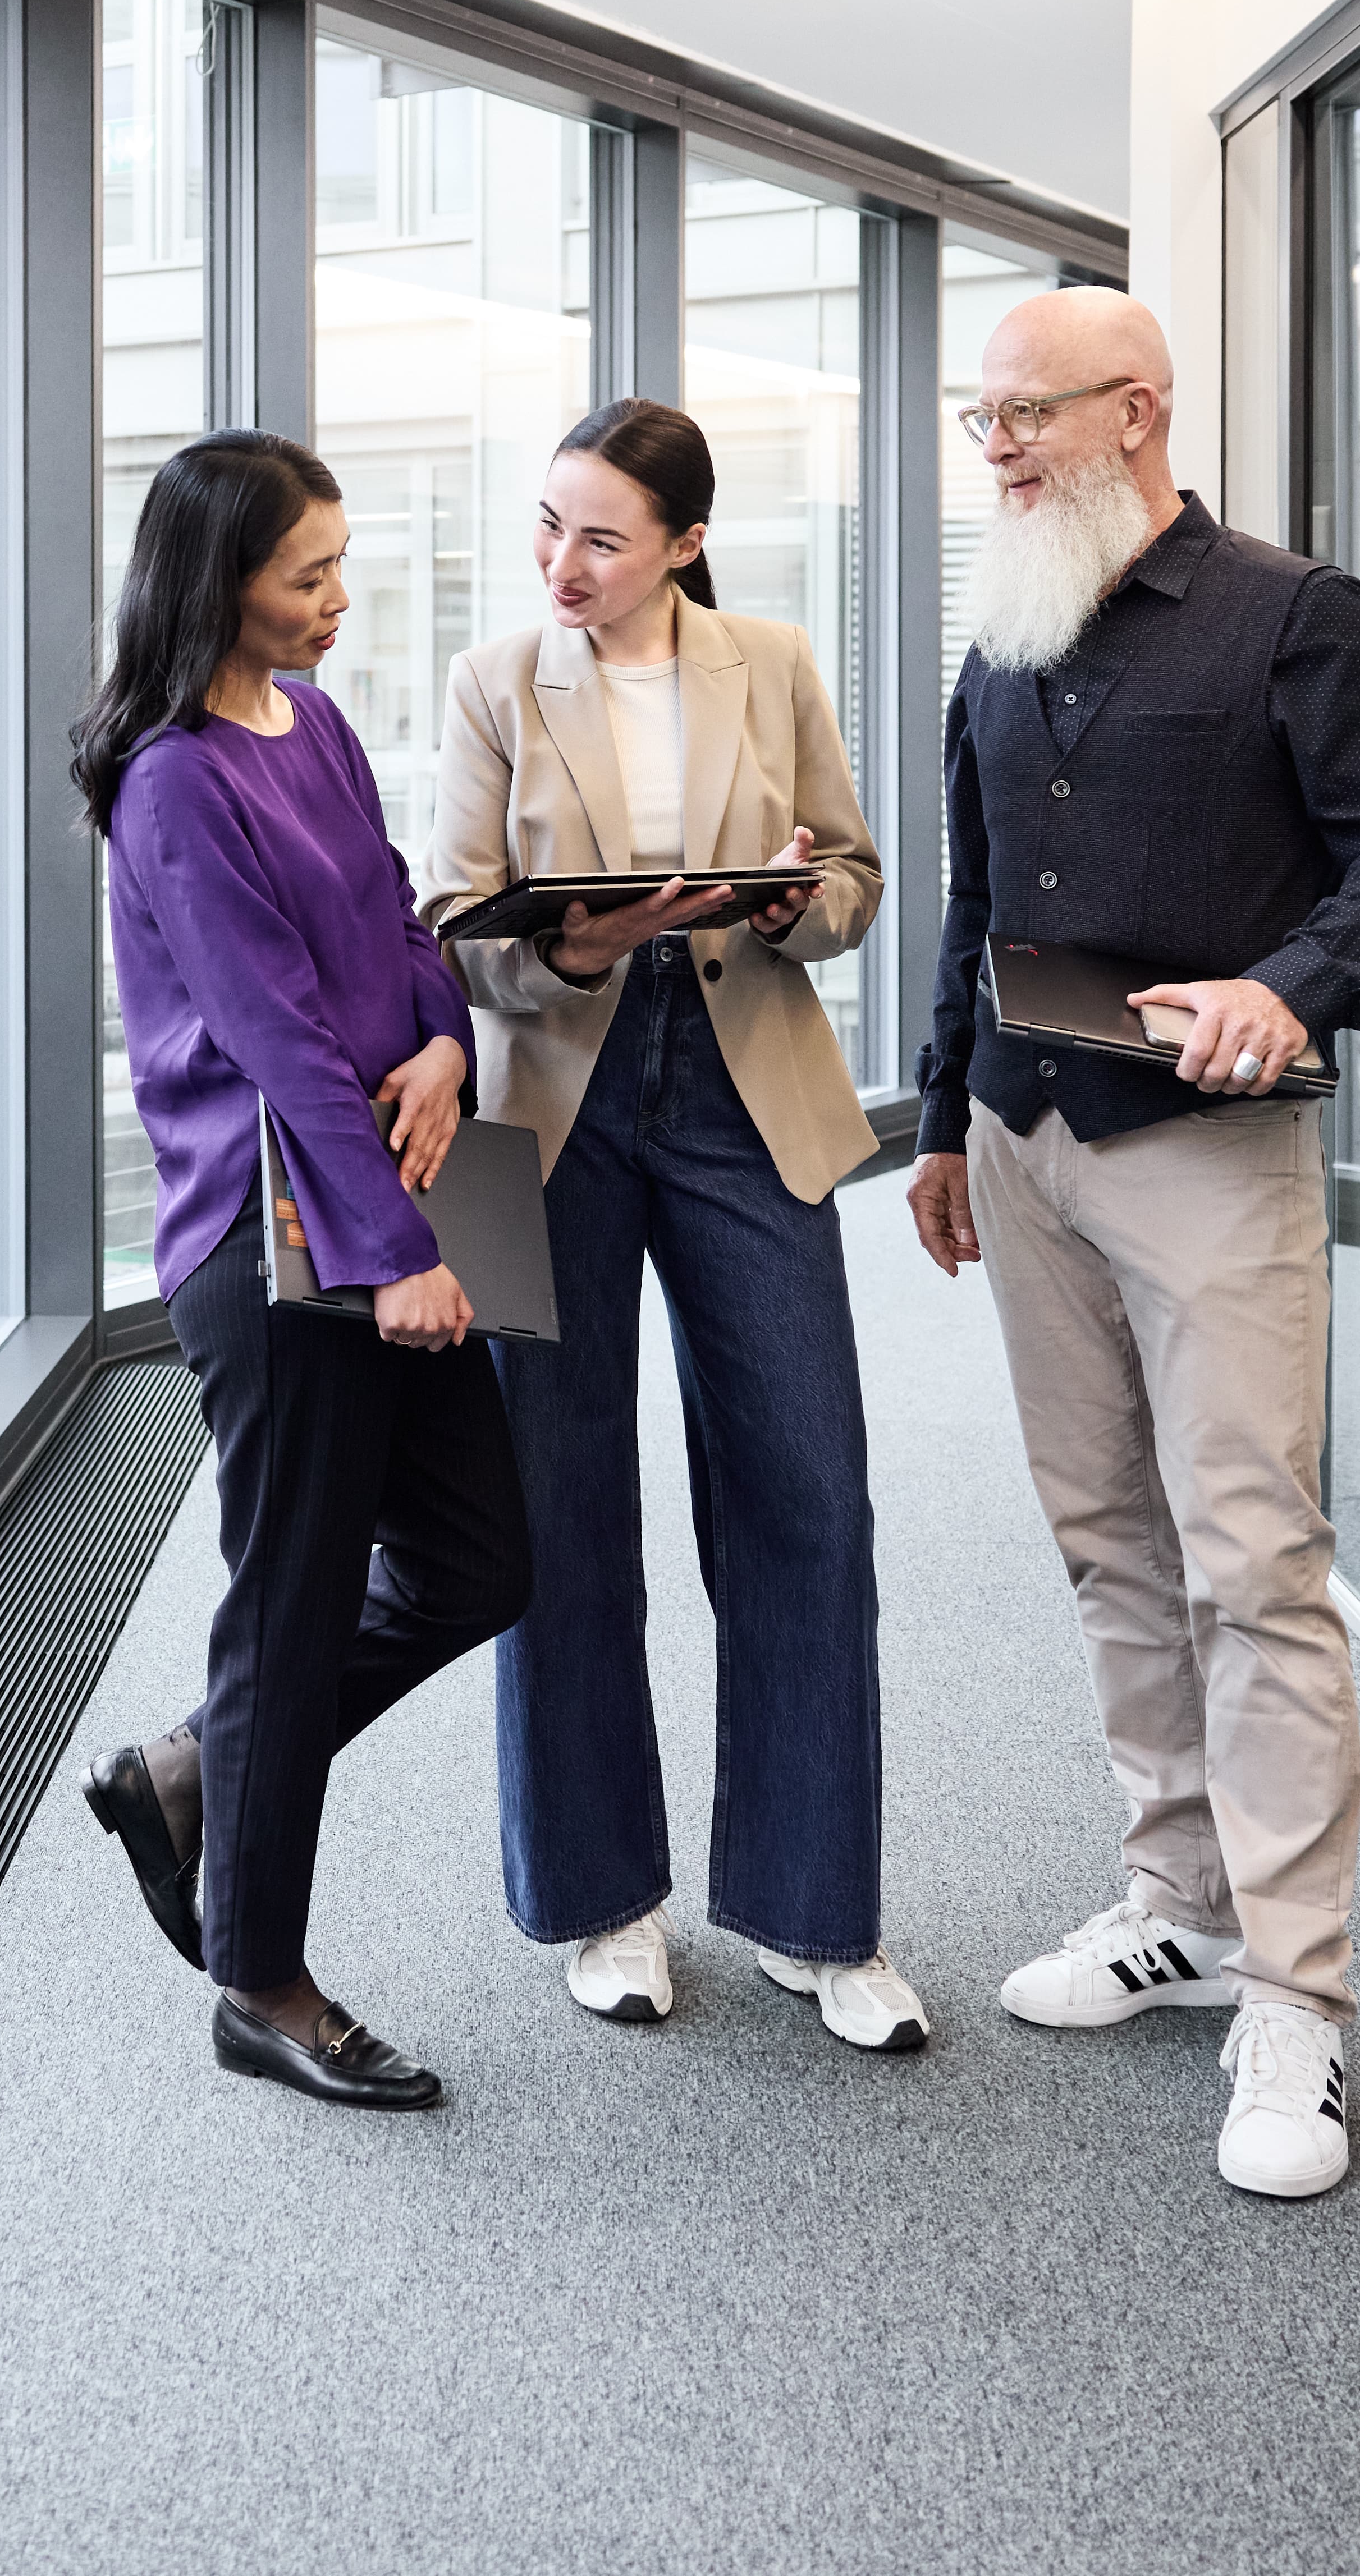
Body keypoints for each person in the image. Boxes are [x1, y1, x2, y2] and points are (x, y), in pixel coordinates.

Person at [906, 288, 1360, 2199]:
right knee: (1105, 1542)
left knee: (1254, 1560)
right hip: (1025, 1122)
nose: (993, 447)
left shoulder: (1293, 616)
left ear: (1136, 410)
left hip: (1205, 1150)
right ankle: (1178, 1894)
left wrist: (1291, 984)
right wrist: (937, 1117)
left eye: (1024, 416)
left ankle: (1298, 1996)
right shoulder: (1005, 628)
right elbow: (976, 883)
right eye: (977, 418)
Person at [419, 398, 918, 2050]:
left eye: (604, 537)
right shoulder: (497, 682)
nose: (566, 563)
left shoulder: (768, 664)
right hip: (546, 1109)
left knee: (809, 1492)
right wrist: (573, 946)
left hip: (739, 1088)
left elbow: (850, 876)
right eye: (548, 526)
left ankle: (811, 1909)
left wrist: (792, 901)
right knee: (557, 1504)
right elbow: (452, 919)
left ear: (687, 544)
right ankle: (600, 1897)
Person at [66, 430, 532, 2113]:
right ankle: (259, 1983)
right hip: (277, 1247)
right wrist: (401, 1252)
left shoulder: (314, 724)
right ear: (219, 586)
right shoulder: (176, 780)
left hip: (385, 1183)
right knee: (291, 1605)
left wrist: (445, 1048)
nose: (338, 602)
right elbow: (266, 1031)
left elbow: (400, 919)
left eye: (340, 567)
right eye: (304, 577)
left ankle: (195, 1767)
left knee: (484, 1561)